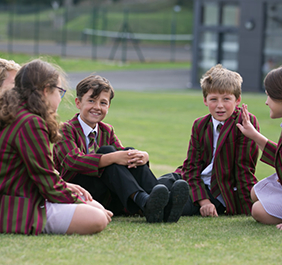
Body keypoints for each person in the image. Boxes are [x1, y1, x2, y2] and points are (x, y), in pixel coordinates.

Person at [53, 75, 189, 223]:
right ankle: (143, 202)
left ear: (108, 107)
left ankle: (162, 204)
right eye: (91, 100)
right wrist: (110, 157)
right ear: (78, 103)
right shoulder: (66, 129)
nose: (97, 107)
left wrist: (142, 156)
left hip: (106, 194)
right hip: (79, 191)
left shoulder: (107, 130)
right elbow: (72, 161)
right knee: (107, 152)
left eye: (103, 103)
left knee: (128, 152)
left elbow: (123, 159)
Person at [0, 59, 113, 235]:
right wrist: (76, 199)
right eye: (59, 92)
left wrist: (67, 186)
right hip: (14, 209)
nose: (60, 99)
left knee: (95, 207)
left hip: (16, 198)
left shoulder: (16, 113)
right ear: (46, 90)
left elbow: (40, 175)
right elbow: (48, 185)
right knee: (97, 217)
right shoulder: (30, 122)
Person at [158, 64, 260, 217]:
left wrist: (247, 209)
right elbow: (191, 167)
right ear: (205, 100)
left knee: (180, 205)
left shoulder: (245, 123)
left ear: (237, 100)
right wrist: (203, 200)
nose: (220, 106)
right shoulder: (200, 125)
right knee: (162, 182)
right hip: (194, 179)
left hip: (219, 189)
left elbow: (244, 169)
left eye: (226, 99)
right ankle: (145, 202)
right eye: (213, 99)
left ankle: (159, 208)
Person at [237, 63, 282, 231]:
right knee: (255, 192)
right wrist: (254, 135)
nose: (266, 102)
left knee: (258, 211)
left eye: (268, 95)